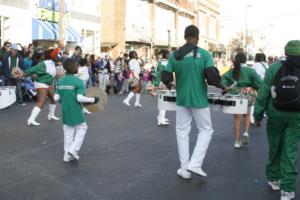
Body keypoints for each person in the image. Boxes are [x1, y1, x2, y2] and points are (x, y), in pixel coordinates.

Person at [163, 25, 226, 179]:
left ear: (185, 37)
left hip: (182, 99)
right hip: (199, 99)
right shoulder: (204, 54)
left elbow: (165, 76)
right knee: (206, 130)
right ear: (197, 37)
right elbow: (212, 78)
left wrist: (172, 84)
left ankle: (184, 169)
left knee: (182, 132)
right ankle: (195, 164)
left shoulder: (174, 55)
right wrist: (223, 87)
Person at [254, 40, 300, 200]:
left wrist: (258, 115)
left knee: (275, 147)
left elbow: (263, 93)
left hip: (275, 114)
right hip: (297, 117)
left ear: (285, 52)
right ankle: (287, 189)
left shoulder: (274, 68)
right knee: (290, 151)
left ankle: (274, 178)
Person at [54, 58, 98, 162]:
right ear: (74, 67)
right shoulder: (78, 81)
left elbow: (56, 98)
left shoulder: (60, 81)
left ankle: (66, 155)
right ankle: (74, 149)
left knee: (68, 133)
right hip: (76, 110)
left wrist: (63, 97)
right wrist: (92, 100)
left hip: (65, 110)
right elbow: (80, 98)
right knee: (83, 128)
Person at [221, 52, 261, 148]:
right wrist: (251, 87)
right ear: (245, 60)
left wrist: (228, 88)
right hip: (247, 93)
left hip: (236, 94)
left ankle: (236, 141)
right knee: (247, 114)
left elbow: (222, 80)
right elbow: (259, 83)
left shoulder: (233, 70)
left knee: (237, 118)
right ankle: (246, 133)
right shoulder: (250, 70)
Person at [26, 48, 60, 126]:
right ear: (53, 56)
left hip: (47, 84)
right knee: (41, 102)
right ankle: (31, 119)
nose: (57, 57)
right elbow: (33, 69)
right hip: (41, 83)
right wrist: (24, 74)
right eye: (56, 55)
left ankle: (51, 115)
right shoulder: (44, 63)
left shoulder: (51, 63)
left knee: (54, 98)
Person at [153, 49, 170, 125]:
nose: (170, 55)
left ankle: (161, 117)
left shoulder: (161, 62)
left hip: (161, 82)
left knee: (163, 101)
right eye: (169, 54)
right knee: (163, 101)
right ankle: (161, 120)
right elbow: (164, 74)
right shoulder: (164, 63)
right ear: (166, 55)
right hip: (163, 83)